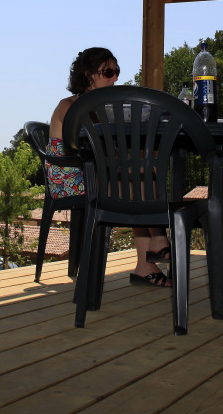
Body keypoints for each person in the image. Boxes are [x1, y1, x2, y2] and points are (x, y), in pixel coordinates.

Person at [49, 47, 172, 287]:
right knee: (136, 181)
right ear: (88, 76)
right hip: (69, 175)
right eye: (108, 72)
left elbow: (109, 155)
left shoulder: (103, 109)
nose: (115, 77)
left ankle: (149, 258)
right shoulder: (69, 105)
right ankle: (154, 246)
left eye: (116, 71)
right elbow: (80, 149)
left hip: (94, 171)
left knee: (145, 176)